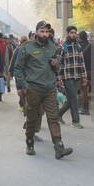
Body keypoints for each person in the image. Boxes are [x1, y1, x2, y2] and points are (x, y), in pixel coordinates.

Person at [14, 20, 73, 159]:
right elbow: (18, 68)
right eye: (42, 31)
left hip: (50, 89)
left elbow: (58, 66)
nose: (45, 34)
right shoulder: (26, 47)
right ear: (36, 32)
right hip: (33, 89)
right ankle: (29, 143)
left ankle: (59, 147)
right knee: (32, 118)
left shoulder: (53, 47)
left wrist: (56, 63)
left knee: (53, 117)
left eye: (47, 32)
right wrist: (24, 85)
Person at [57, 26, 87, 128]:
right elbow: (59, 63)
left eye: (75, 33)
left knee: (71, 100)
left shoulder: (78, 46)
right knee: (74, 97)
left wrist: (84, 76)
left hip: (76, 76)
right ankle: (75, 121)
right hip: (67, 76)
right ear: (67, 33)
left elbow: (81, 62)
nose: (73, 34)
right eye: (71, 32)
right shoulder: (63, 46)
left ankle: (59, 114)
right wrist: (59, 78)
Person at [78, 31, 94, 115]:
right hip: (91, 69)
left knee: (83, 89)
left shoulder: (78, 47)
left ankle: (85, 108)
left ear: (80, 37)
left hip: (83, 71)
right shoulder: (93, 46)